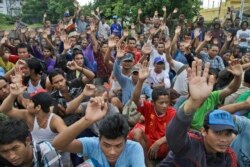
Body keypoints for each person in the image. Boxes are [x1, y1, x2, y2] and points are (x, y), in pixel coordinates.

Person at [160, 60, 238, 166]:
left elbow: (230, 89)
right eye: (218, 133)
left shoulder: (229, 157)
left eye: (228, 134)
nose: (223, 140)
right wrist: (194, 101)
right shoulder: (188, 144)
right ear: (204, 131)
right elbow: (174, 134)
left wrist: (238, 76)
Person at [53, 96, 146, 167]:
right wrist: (87, 120)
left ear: (126, 140)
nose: (112, 152)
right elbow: (58, 144)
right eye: (106, 145)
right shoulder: (93, 144)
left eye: (118, 145)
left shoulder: (134, 148)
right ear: (99, 138)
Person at [130, 61, 176, 166]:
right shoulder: (148, 107)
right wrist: (140, 81)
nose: (164, 105)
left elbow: (176, 133)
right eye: (161, 103)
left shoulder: (172, 112)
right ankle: (147, 163)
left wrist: (158, 142)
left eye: (167, 102)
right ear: (153, 103)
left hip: (164, 145)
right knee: (136, 132)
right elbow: (135, 99)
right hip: (148, 144)